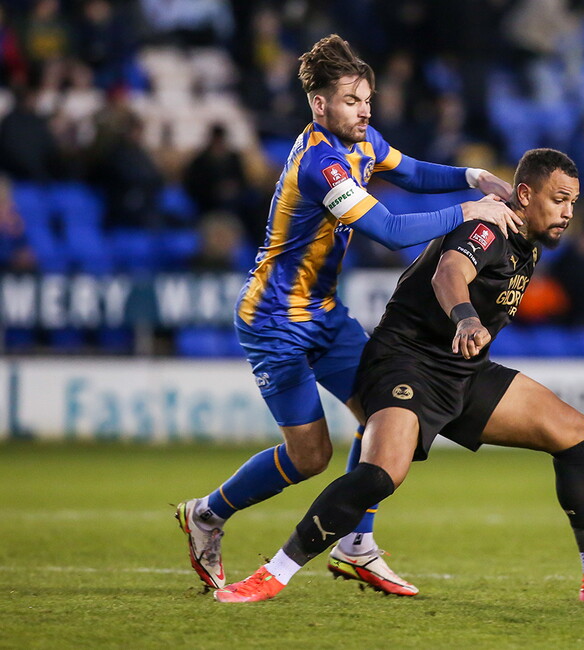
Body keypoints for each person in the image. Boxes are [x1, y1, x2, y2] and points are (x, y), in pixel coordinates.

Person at [212, 148, 584, 604]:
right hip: (406, 362)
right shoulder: (487, 227)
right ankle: (272, 575)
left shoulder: (525, 243)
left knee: (576, 433)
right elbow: (448, 273)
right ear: (524, 193)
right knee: (380, 474)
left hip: (461, 371)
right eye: (559, 199)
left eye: (573, 202)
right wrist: (466, 319)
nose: (568, 211)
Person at [175, 34, 519, 597]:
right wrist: (470, 209)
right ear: (320, 104)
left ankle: (356, 543)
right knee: (310, 457)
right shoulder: (321, 164)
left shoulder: (362, 140)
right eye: (352, 101)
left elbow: (410, 171)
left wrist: (472, 177)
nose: (365, 111)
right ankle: (207, 515)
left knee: (386, 413)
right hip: (274, 321)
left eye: (367, 99)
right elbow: (387, 230)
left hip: (325, 314)